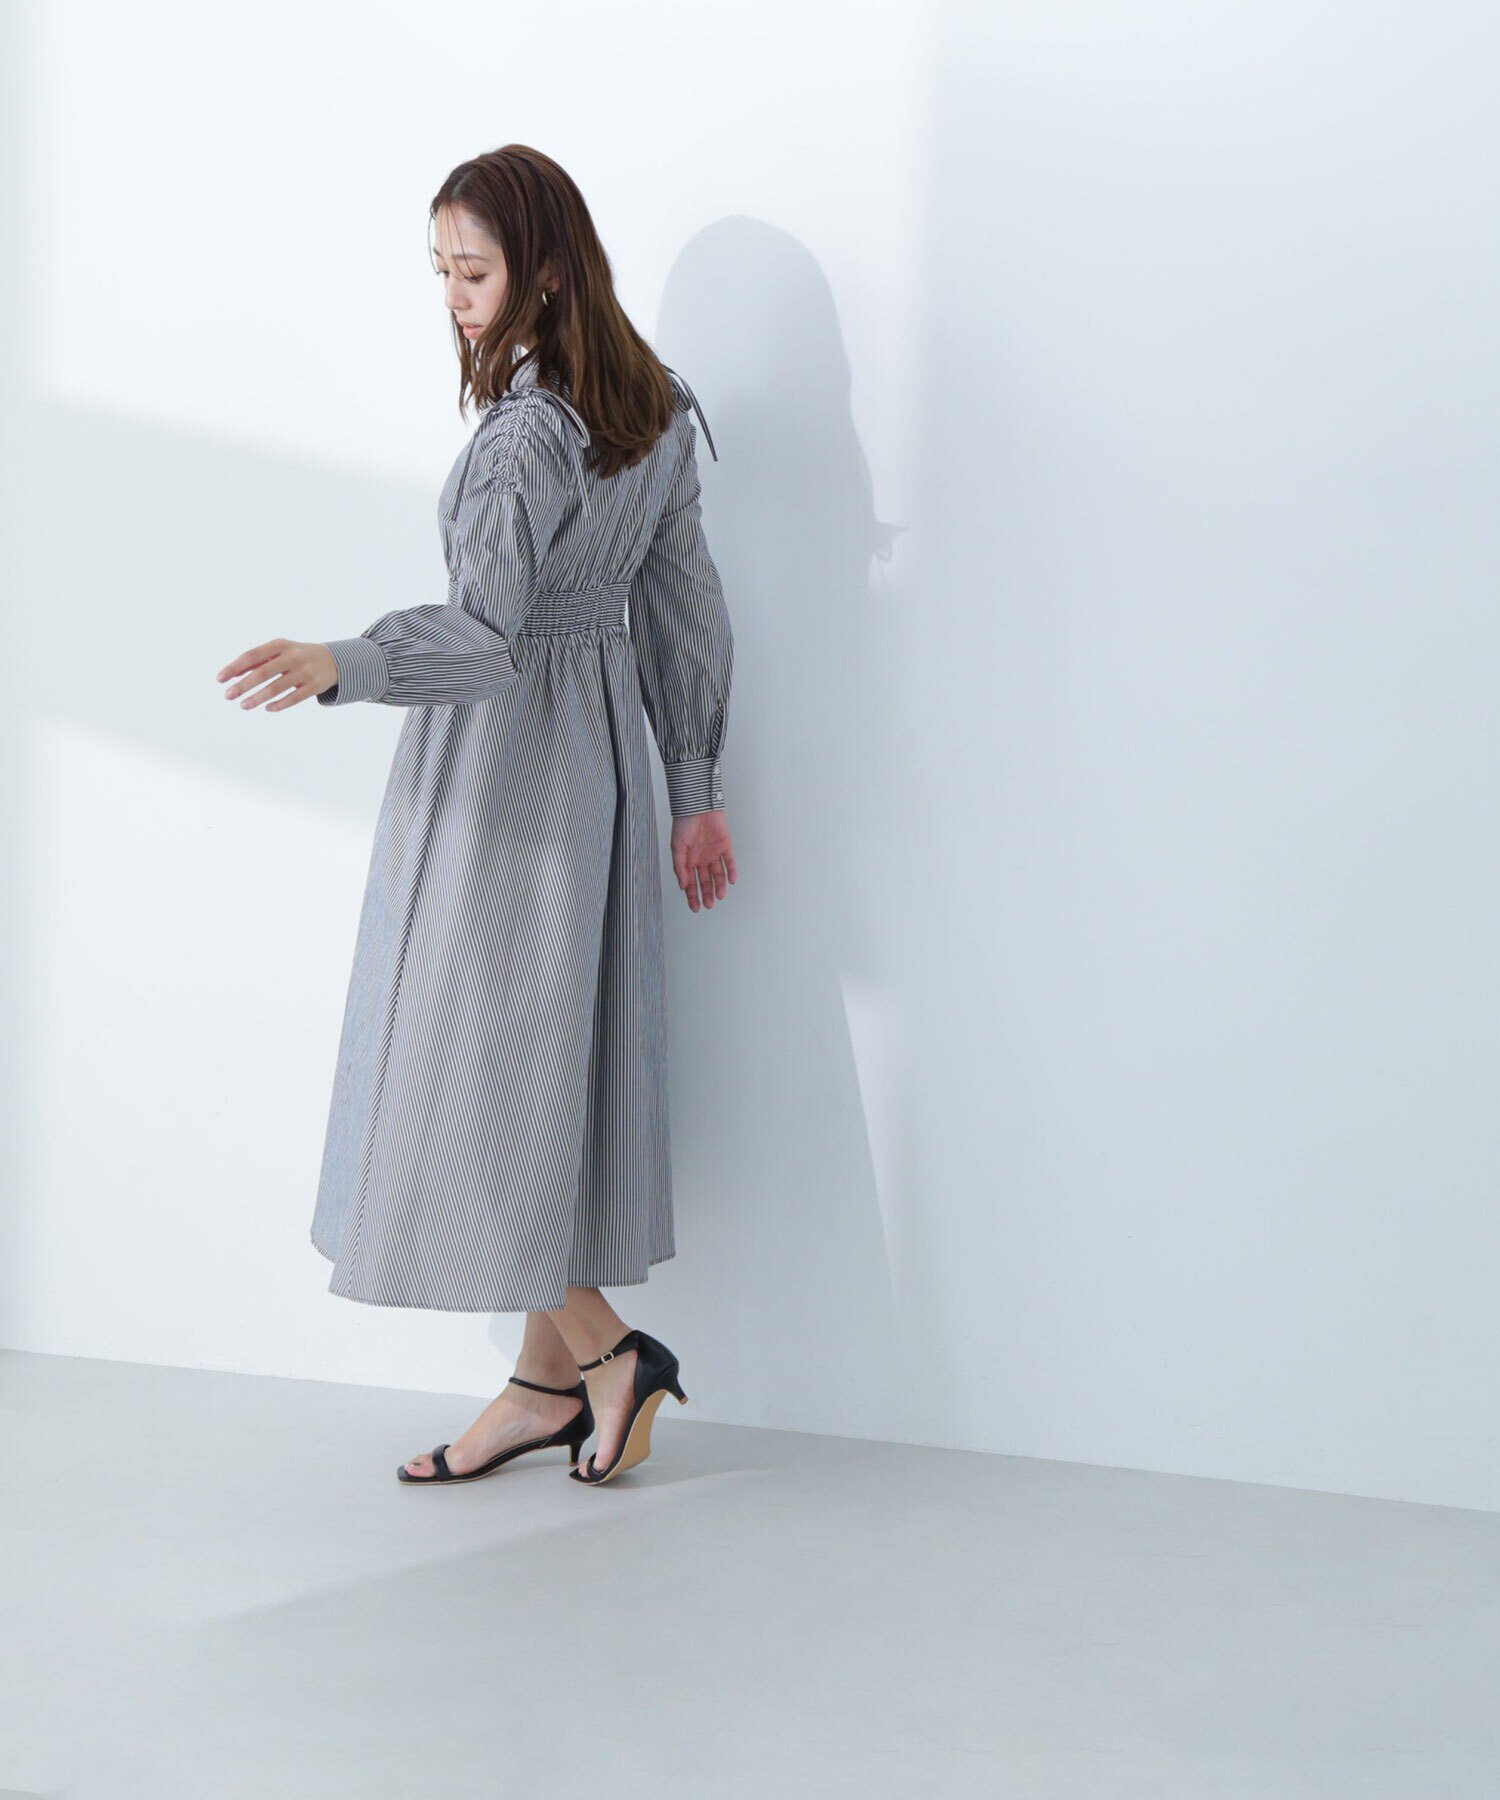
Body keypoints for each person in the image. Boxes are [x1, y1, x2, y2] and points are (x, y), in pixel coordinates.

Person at [215, 145, 736, 1488]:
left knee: (465, 1083)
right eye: (442, 270)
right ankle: (540, 1388)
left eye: (474, 272)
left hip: (503, 775)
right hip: (600, 765)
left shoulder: (524, 435)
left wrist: (344, 662)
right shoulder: (653, 405)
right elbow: (688, 615)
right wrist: (692, 788)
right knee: (546, 1081)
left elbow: (486, 637)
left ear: (545, 273)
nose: (452, 297)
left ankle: (613, 1355)